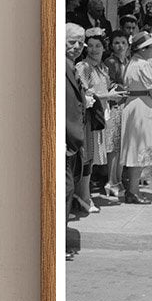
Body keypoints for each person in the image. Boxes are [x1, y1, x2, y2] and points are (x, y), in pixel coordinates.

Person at [76, 28, 126, 209]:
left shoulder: (103, 68)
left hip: (99, 116)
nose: (94, 49)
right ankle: (83, 197)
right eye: (90, 46)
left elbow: (105, 87)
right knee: (86, 157)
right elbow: (86, 93)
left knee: (91, 158)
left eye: (98, 46)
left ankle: (83, 195)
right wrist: (108, 95)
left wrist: (114, 91)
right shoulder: (84, 67)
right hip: (87, 117)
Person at [120, 33, 152, 204]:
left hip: (134, 105)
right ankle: (133, 191)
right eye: (151, 47)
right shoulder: (143, 65)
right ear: (143, 49)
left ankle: (133, 190)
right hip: (142, 107)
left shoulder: (132, 63)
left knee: (135, 150)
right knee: (139, 150)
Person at [65, 24, 91, 242]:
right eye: (71, 42)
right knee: (66, 188)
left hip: (72, 142)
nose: (76, 47)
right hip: (65, 140)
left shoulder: (72, 66)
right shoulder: (61, 66)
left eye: (80, 43)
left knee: (68, 188)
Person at [103, 30, 132, 199]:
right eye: (116, 43)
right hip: (114, 105)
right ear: (112, 45)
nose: (120, 46)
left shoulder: (128, 61)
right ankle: (111, 181)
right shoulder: (110, 62)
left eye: (123, 42)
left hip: (126, 106)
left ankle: (119, 179)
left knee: (122, 145)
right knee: (113, 146)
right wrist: (124, 89)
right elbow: (110, 83)